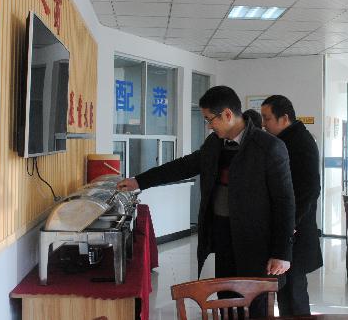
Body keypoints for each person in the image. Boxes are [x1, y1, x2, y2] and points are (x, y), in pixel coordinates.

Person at [117, 86, 295, 318]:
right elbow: (182, 166)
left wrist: (282, 252)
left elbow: (285, 202)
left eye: (210, 119)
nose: (209, 125)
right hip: (224, 237)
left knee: (255, 304)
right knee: (226, 297)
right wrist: (139, 181)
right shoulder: (215, 144)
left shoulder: (268, 147)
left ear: (228, 114)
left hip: (256, 243)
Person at [261, 95, 323, 316]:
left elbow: (310, 189)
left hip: (297, 231)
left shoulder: (300, 142)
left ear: (284, 118)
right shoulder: (285, 140)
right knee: (285, 292)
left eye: (267, 118)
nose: (263, 124)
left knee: (295, 293)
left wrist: (291, 223)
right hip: (289, 230)